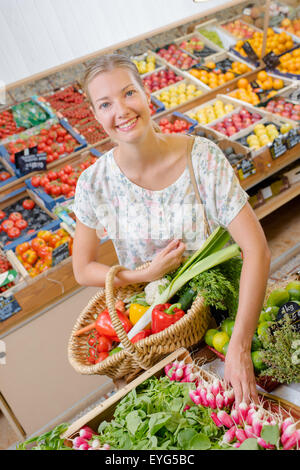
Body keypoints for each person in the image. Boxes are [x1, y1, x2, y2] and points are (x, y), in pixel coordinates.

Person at [72, 53, 271, 406]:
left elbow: (256, 250)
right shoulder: (94, 184)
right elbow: (82, 267)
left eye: (128, 93)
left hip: (225, 319)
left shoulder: (202, 158)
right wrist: (140, 273)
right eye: (105, 104)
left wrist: (239, 345)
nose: (121, 110)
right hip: (154, 335)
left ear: (146, 92)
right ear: (95, 115)